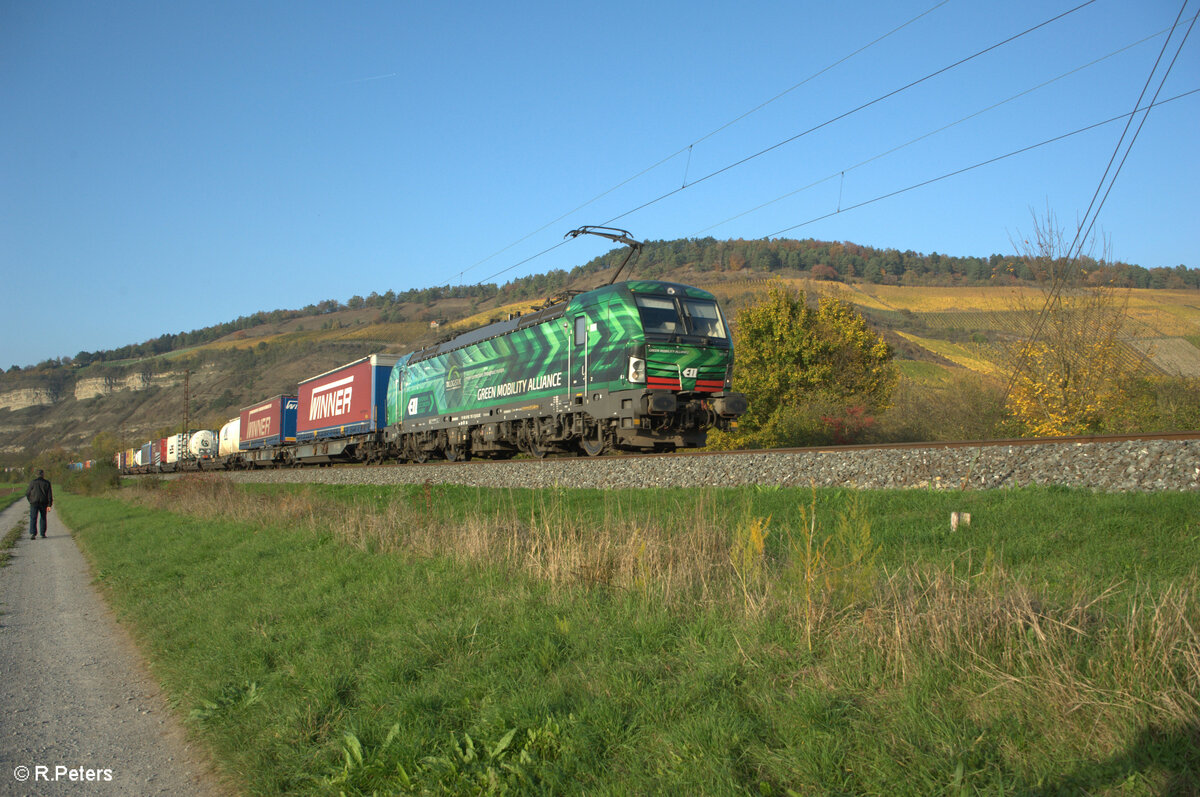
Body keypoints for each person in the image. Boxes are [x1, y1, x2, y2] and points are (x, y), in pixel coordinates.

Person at [26, 469, 53, 539]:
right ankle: (43, 533)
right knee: (43, 518)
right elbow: (49, 495)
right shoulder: (47, 483)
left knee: (33, 518)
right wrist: (49, 505)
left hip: (34, 503)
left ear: (36, 475)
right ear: (43, 474)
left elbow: (27, 493)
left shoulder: (32, 482)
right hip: (43, 503)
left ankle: (33, 533)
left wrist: (30, 500)